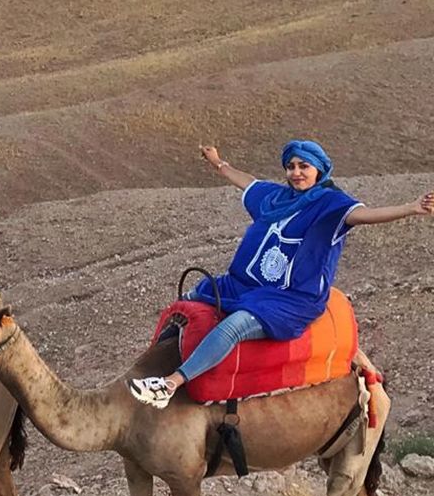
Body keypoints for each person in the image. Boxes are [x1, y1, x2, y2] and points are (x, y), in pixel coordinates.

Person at [129, 140, 434, 409]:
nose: (296, 172)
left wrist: (410, 207)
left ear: (319, 169)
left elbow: (364, 216)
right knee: (191, 297)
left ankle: (169, 385)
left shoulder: (331, 204)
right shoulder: (277, 197)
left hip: (291, 298)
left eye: (304, 166)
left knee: (236, 324)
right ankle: (150, 366)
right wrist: (217, 162)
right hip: (247, 283)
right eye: (290, 166)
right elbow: (249, 183)